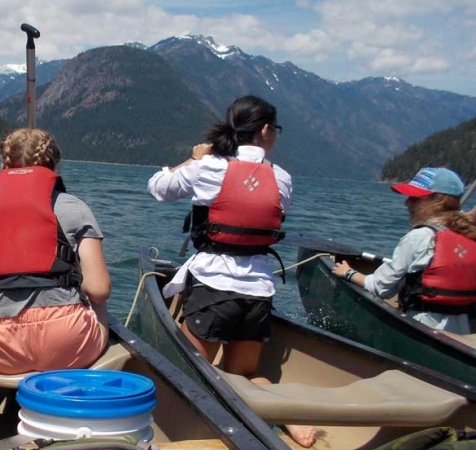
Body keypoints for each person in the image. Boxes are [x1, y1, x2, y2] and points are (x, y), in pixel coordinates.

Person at [147, 95, 316, 447]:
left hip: (213, 285)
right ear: (266, 131)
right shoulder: (282, 178)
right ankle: (288, 418)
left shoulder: (209, 166)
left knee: (191, 367)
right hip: (258, 289)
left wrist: (193, 160)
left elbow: (158, 189)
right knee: (247, 373)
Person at [0, 128, 110, 375]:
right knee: (96, 298)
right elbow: (99, 290)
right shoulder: (75, 207)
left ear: (4, 161)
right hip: (65, 343)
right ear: (53, 165)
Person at [333, 167, 476, 334]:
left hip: (423, 328)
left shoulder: (419, 236)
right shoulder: (468, 233)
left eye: (414, 198)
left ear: (438, 200)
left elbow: (381, 288)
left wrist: (348, 273)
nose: (407, 203)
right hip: (462, 329)